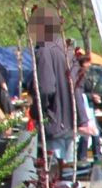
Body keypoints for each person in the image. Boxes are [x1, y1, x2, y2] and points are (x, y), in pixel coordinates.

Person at [29, 10, 79, 172]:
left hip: (53, 120)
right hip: (71, 122)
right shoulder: (68, 52)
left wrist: (37, 113)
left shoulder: (44, 51)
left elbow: (45, 88)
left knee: (54, 176)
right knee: (69, 176)